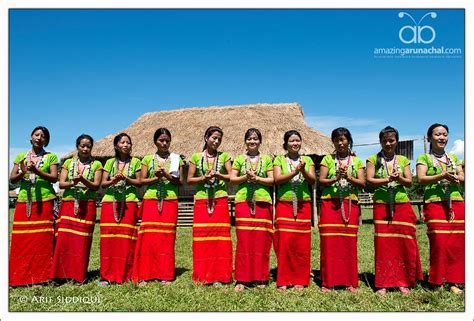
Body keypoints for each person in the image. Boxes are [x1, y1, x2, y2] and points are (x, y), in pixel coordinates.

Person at [366, 126, 423, 295]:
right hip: (382, 205)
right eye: (384, 140)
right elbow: (369, 181)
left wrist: (399, 178)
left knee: (404, 242)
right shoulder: (372, 159)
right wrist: (386, 179)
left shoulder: (403, 159)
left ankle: (403, 281)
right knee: (384, 244)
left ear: (397, 141)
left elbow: (409, 182)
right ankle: (383, 282)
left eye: (391, 140)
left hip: (401, 205)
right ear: (380, 141)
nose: (388, 143)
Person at [416, 123, 464, 294]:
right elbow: (421, 178)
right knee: (439, 242)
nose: (441, 137)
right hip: (434, 203)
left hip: (456, 202)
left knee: (456, 244)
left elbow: (463, 177)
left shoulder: (453, 158)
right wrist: (442, 175)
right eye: (437, 134)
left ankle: (454, 281)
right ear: (429, 138)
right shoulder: (424, 158)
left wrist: (457, 178)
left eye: (444, 134)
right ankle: (436, 280)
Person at [132, 128, 183, 286]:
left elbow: (179, 181)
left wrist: (167, 176)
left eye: (167, 140)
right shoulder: (147, 159)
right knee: (148, 238)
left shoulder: (176, 159)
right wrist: (156, 177)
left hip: (169, 201)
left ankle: (165, 274)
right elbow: (141, 181)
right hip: (151, 201)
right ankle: (146, 274)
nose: (165, 143)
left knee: (166, 238)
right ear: (155, 141)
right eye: (161, 140)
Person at [9, 126, 58, 286]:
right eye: (36, 135)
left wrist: (36, 171)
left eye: (43, 136)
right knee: (22, 239)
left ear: (46, 141)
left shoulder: (51, 157)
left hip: (45, 201)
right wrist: (24, 172)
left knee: (43, 238)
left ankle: (43, 276)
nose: (39, 138)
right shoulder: (21, 156)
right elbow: (12, 179)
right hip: (24, 201)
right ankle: (19, 276)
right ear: (30, 137)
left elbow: (53, 178)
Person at [51, 134, 103, 284]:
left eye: (88, 146)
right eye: (82, 146)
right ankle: (59, 275)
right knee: (64, 240)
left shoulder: (97, 165)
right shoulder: (68, 163)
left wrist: (83, 180)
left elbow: (95, 185)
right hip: (68, 204)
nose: (85, 149)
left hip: (87, 205)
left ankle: (78, 275)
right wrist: (75, 183)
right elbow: (61, 184)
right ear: (77, 146)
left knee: (82, 241)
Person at [318, 127, 365, 293]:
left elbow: (363, 183)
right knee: (329, 243)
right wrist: (336, 177)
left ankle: (350, 280)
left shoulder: (357, 161)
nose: (340, 143)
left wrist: (348, 177)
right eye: (337, 140)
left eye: (343, 139)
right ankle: (328, 280)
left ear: (349, 141)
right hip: (330, 204)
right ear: (333, 142)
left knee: (348, 243)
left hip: (349, 204)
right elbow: (322, 181)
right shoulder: (327, 160)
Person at [229, 128, 274, 292]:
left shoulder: (267, 159)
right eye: (249, 139)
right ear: (245, 141)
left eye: (255, 138)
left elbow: (272, 180)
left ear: (260, 141)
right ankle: (242, 278)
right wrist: (245, 178)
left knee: (262, 241)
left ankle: (261, 277)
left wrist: (257, 179)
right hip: (243, 202)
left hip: (263, 202)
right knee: (244, 241)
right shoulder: (240, 159)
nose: (252, 141)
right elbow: (232, 179)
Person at [187, 126, 233, 285]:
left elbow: (231, 177)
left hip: (220, 199)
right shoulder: (195, 157)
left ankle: (220, 275)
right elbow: (189, 179)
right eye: (214, 137)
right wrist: (203, 178)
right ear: (206, 137)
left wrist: (219, 175)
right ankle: (202, 275)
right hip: (202, 200)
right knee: (202, 238)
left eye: (219, 139)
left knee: (220, 239)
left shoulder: (225, 156)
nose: (216, 141)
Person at [273, 130, 315, 292]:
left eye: (297, 140)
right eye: (291, 141)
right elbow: (277, 180)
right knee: (285, 242)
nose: (295, 143)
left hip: (303, 205)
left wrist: (303, 170)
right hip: (285, 205)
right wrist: (295, 172)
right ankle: (283, 279)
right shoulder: (279, 160)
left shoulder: (308, 160)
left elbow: (312, 180)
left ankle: (300, 279)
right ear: (286, 144)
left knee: (301, 244)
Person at [99, 133, 141, 285]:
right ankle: (107, 275)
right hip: (110, 203)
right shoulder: (110, 162)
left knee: (128, 240)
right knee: (109, 241)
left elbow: (139, 182)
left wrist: (126, 178)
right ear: (116, 145)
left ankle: (128, 273)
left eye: (128, 142)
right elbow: (103, 184)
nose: (126, 145)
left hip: (129, 203)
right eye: (122, 142)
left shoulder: (136, 162)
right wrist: (113, 180)